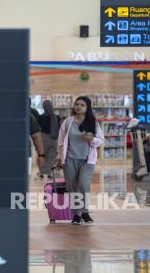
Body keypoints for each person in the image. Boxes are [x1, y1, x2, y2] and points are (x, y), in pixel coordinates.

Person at [55, 96, 104, 225]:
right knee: (72, 188)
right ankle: (77, 215)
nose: (79, 107)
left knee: (83, 184)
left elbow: (100, 140)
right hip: (69, 160)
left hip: (87, 161)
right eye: (77, 104)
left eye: (82, 105)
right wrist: (59, 158)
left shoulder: (93, 123)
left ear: (87, 107)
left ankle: (85, 211)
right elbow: (60, 142)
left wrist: (92, 140)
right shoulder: (67, 122)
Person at [37, 100, 60, 180]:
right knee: (52, 156)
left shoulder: (40, 117)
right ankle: (49, 172)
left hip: (43, 138)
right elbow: (59, 128)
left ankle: (42, 173)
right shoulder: (56, 117)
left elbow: (38, 129)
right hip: (54, 139)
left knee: (43, 155)